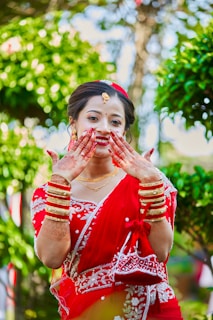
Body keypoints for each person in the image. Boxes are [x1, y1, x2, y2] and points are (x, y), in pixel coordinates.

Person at [31, 80, 183, 320]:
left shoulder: (147, 179)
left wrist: (151, 186)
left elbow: (161, 250)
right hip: (90, 312)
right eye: (93, 118)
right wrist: (61, 185)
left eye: (115, 122)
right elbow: (51, 257)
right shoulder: (48, 191)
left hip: (152, 311)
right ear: (74, 124)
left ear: (123, 131)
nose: (104, 128)